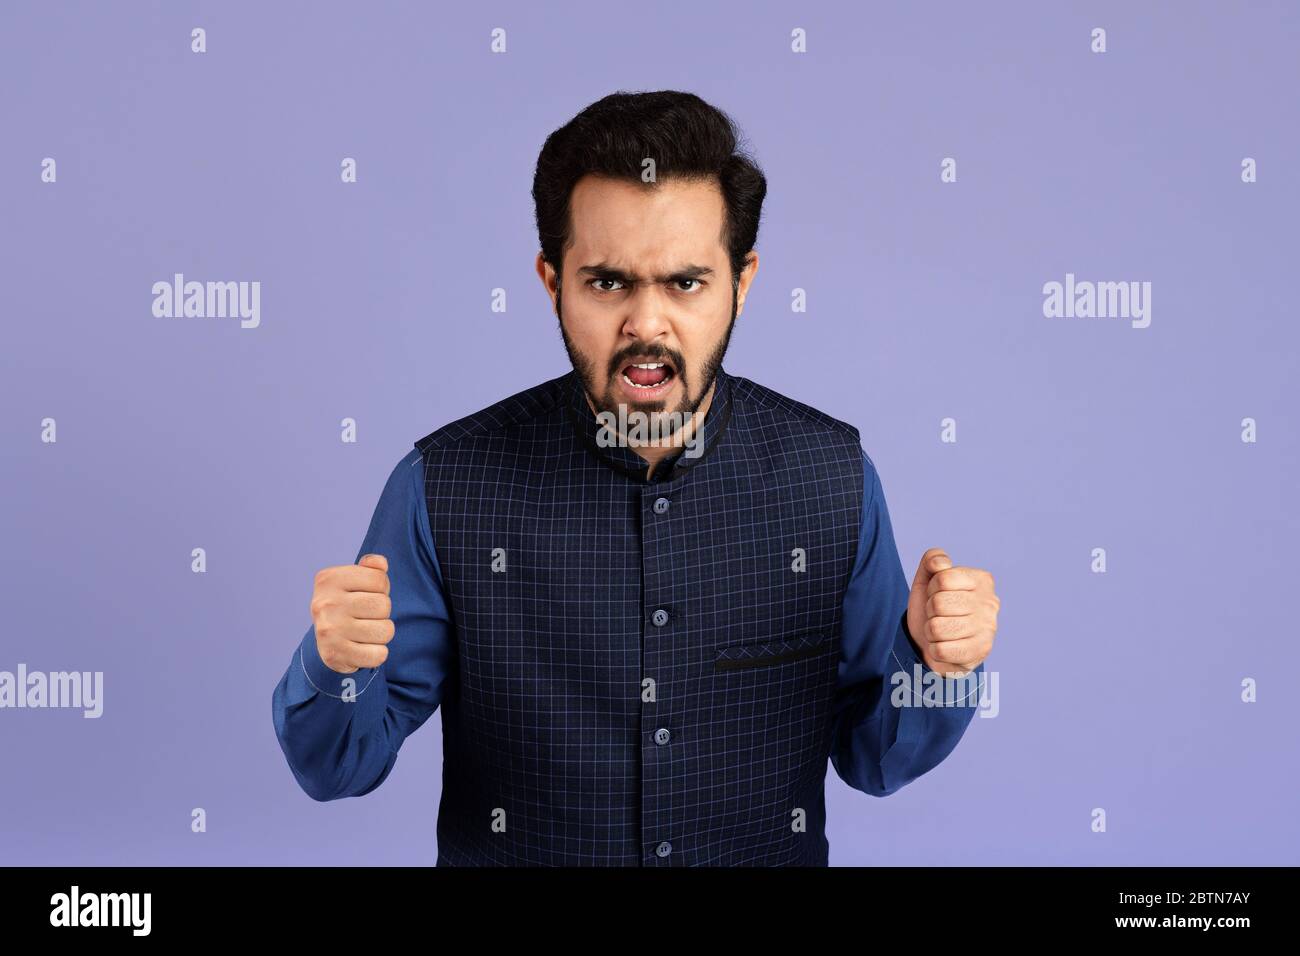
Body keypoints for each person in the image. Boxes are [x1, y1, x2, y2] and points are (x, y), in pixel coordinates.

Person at [272, 90, 1000, 866]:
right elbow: (336, 769)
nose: (646, 324)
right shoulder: (443, 484)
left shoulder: (832, 479)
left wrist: (938, 671)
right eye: (609, 282)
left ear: (741, 283)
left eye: (684, 283)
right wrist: (335, 667)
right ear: (553, 283)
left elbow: (876, 760)